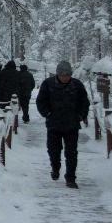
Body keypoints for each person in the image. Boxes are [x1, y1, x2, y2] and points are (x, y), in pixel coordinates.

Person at [36, 61, 90, 189]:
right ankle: (55, 167)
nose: (65, 77)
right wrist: (47, 113)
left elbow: (84, 102)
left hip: (72, 125)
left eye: (67, 75)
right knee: (53, 150)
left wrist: (81, 116)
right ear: (58, 74)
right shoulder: (48, 84)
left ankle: (70, 178)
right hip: (53, 124)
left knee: (71, 153)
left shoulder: (77, 85)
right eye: (62, 75)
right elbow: (41, 101)